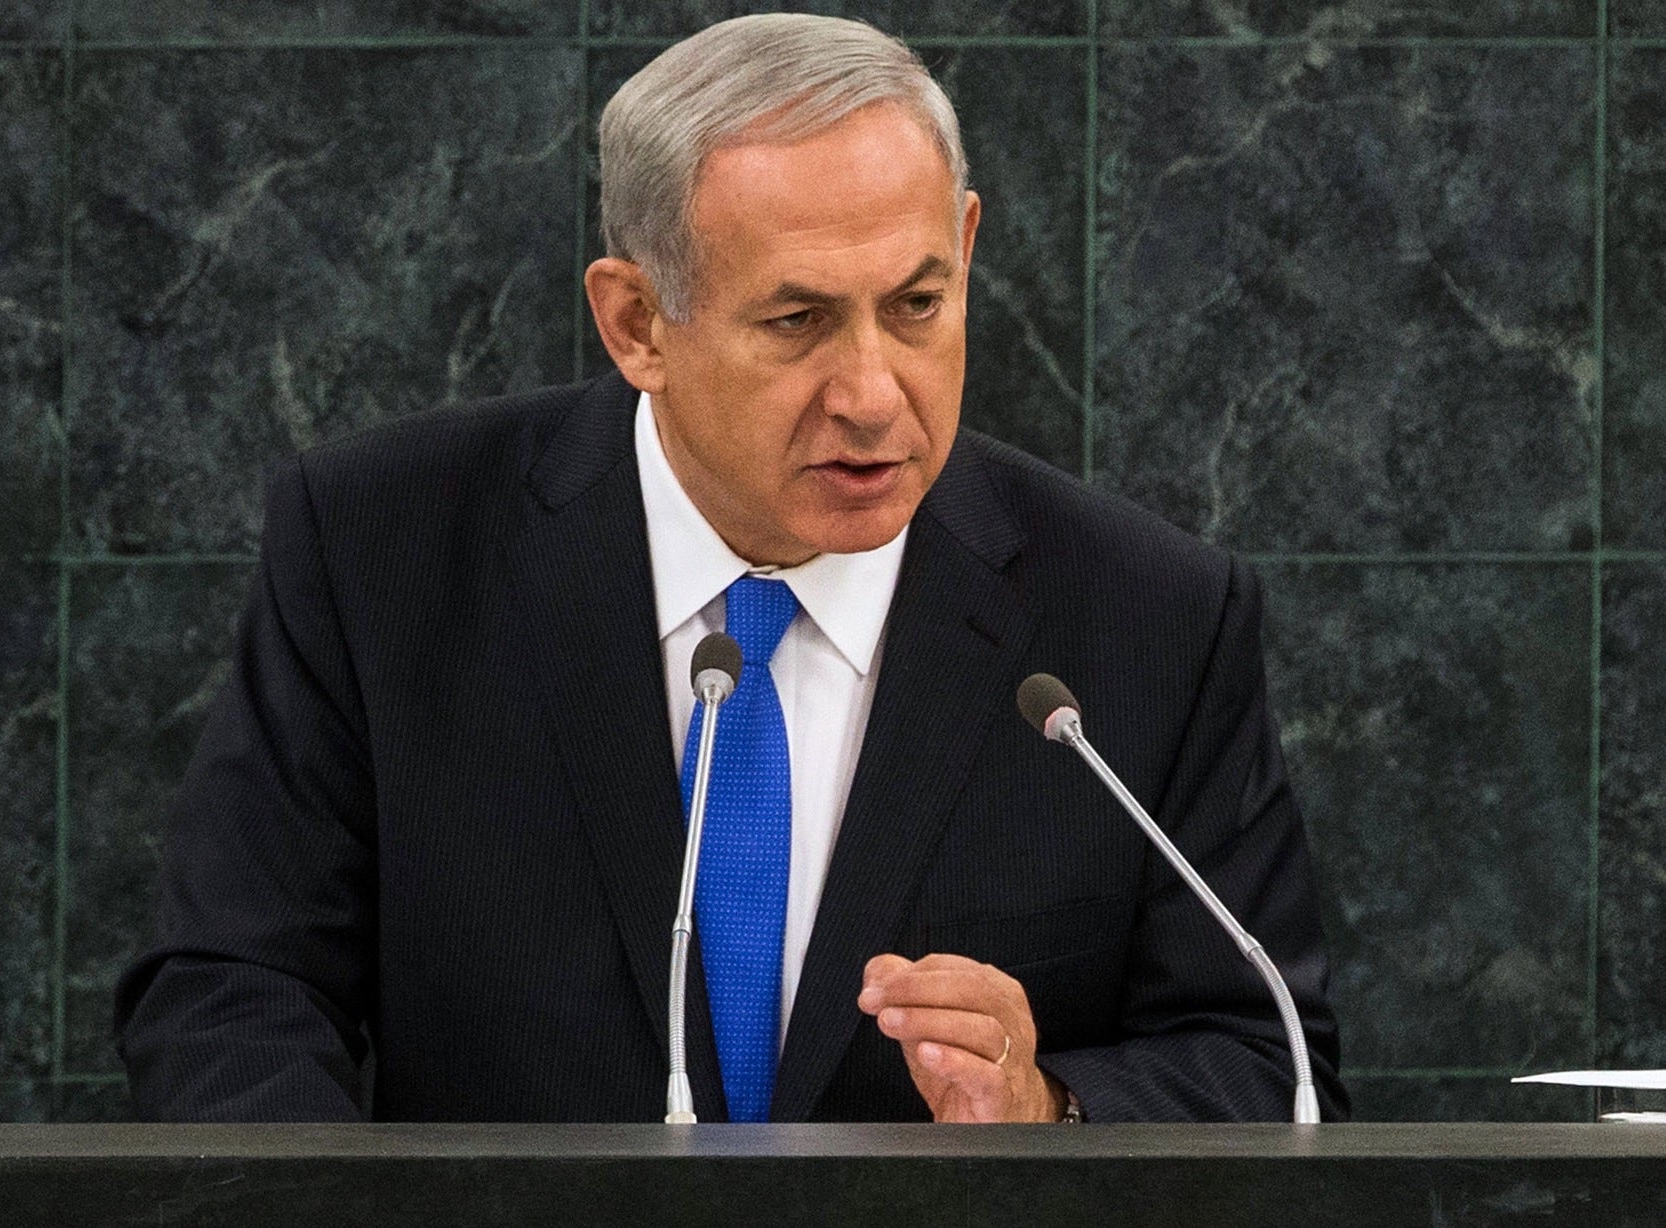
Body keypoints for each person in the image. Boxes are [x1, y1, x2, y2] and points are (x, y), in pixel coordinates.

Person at [115, 13, 1345, 1125]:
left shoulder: (1148, 616)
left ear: (966, 251)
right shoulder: (381, 549)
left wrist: (1052, 1108)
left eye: (916, 305)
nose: (874, 397)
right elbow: (232, 994)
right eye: (796, 321)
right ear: (637, 322)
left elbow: (1267, 1061)